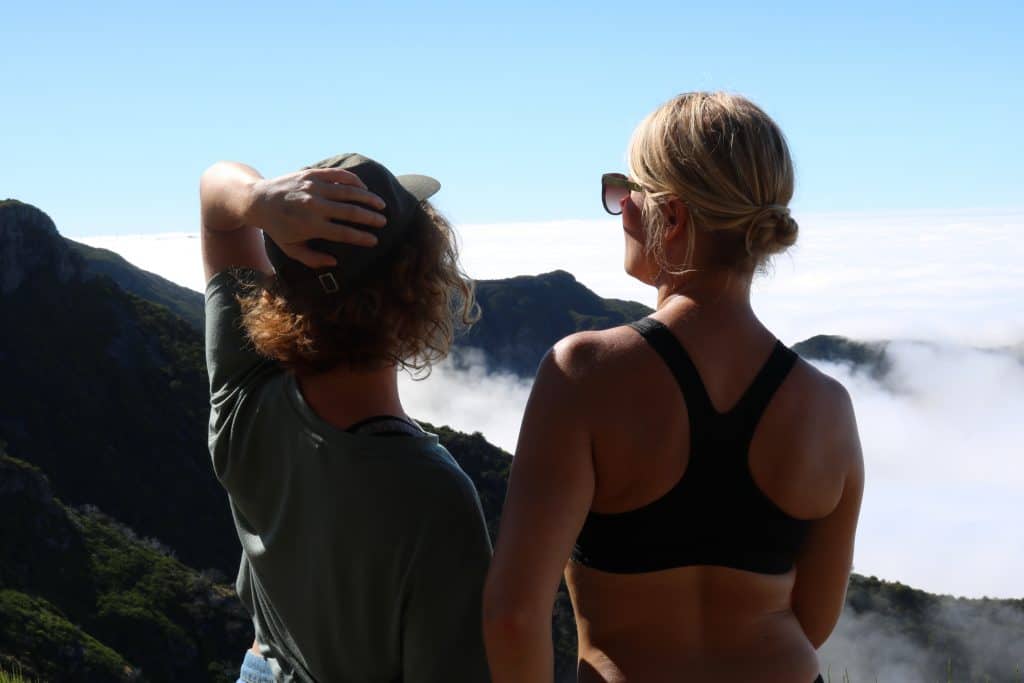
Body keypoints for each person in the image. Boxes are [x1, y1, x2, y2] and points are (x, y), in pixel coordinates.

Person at [482, 93, 864, 683]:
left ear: (674, 216)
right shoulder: (829, 408)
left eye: (624, 191)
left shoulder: (584, 373)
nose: (620, 210)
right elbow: (812, 619)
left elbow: (514, 616)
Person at [200, 153, 492, 683]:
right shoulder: (435, 498)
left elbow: (216, 206)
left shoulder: (244, 395)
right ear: (420, 292)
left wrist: (260, 200)